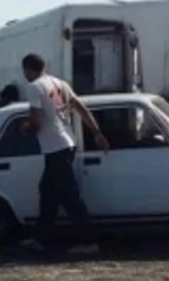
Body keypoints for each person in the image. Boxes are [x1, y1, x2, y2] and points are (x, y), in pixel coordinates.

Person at [22, 53, 107, 250]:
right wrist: (96, 132)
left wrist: (25, 129)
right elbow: (80, 106)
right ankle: (42, 237)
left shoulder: (34, 87)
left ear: (28, 69)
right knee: (48, 191)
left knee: (70, 196)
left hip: (54, 146)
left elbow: (35, 120)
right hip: (67, 142)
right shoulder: (59, 83)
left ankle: (88, 241)